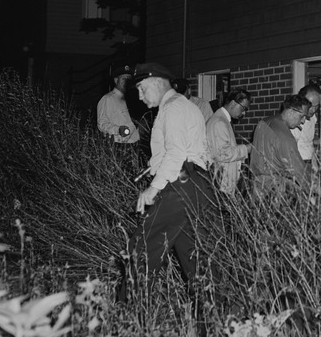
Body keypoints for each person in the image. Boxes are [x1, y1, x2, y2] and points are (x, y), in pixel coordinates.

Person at [129, 62, 218, 289]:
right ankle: (213, 319)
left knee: (143, 248)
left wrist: (154, 188)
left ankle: (130, 315)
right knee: (195, 256)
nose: (139, 96)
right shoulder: (186, 106)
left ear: (157, 83)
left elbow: (176, 153)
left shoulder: (172, 107)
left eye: (142, 88)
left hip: (179, 184)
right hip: (197, 184)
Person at [248, 94, 310, 195]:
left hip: (256, 185)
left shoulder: (263, 122)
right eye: (302, 116)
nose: (303, 121)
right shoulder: (285, 137)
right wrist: (314, 191)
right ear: (290, 112)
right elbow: (299, 171)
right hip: (274, 191)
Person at [206, 88, 253, 196]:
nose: (244, 113)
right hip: (221, 184)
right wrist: (248, 148)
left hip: (223, 182)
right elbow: (223, 154)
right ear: (232, 103)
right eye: (243, 108)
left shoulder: (223, 120)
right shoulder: (219, 122)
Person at [97, 65, 140, 145]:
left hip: (135, 144)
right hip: (118, 145)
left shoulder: (133, 100)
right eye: (124, 79)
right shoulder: (108, 99)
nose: (127, 82)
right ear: (116, 80)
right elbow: (102, 124)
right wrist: (118, 130)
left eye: (129, 79)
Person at [294, 82, 321, 170]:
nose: (313, 110)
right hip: (299, 162)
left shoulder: (313, 117)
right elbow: (292, 149)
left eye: (316, 106)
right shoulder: (295, 120)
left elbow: (310, 143)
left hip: (309, 161)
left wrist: (315, 165)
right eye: (310, 106)